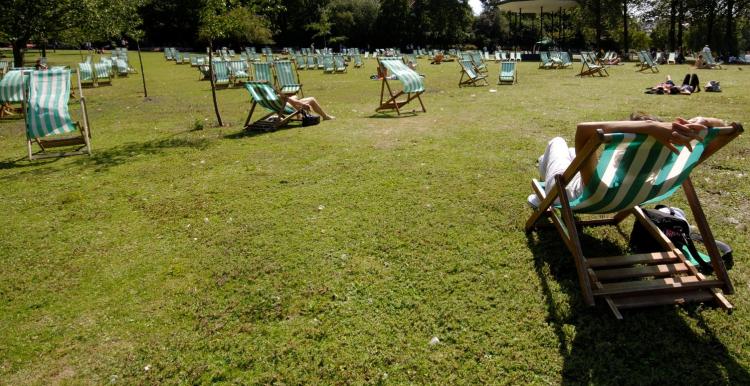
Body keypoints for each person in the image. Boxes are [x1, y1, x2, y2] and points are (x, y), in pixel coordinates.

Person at [528, 114, 732, 208]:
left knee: (557, 142)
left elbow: (583, 130)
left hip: (564, 194)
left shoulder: (599, 182)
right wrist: (702, 122)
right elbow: (724, 130)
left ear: (621, 154)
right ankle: (544, 162)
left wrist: (649, 126)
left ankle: (544, 194)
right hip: (626, 196)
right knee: (572, 152)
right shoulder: (666, 170)